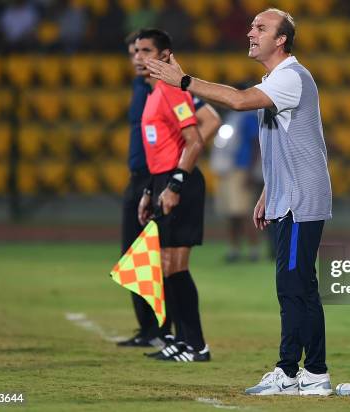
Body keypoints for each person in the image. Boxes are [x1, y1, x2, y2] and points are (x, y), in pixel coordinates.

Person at [145, 8, 333, 393]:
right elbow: (290, 143)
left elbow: (240, 100)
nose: (250, 33)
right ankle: (309, 373)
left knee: (294, 288)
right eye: (251, 26)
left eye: (260, 28)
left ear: (281, 39)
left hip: (301, 201)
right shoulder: (278, 79)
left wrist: (183, 80)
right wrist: (268, 191)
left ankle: (298, 372)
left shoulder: (291, 77)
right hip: (289, 197)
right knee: (299, 287)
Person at [117, 30, 220, 349]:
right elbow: (155, 149)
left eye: (145, 50)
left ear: (164, 55)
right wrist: (151, 188)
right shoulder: (150, 92)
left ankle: (193, 343)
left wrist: (175, 181)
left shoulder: (173, 92)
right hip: (157, 180)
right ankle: (176, 338)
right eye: (135, 51)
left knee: (174, 266)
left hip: (176, 181)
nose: (138, 56)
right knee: (163, 265)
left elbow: (198, 136)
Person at [210, 110, 261, 262]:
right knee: (230, 214)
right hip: (226, 170)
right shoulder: (232, 116)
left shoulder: (249, 117)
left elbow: (256, 144)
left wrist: (251, 172)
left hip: (241, 169)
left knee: (244, 212)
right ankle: (234, 249)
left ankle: (254, 250)